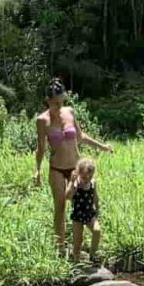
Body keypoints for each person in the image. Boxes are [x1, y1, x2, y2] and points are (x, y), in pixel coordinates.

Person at [34, 78, 112, 255]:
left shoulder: (69, 112)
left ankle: (78, 248)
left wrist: (102, 146)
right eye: (55, 103)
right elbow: (41, 147)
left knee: (81, 205)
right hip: (56, 168)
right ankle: (60, 248)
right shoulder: (42, 120)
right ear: (47, 100)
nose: (59, 107)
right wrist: (37, 170)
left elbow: (80, 136)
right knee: (60, 207)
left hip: (75, 167)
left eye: (61, 102)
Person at [65, 157, 101, 262]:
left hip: (90, 213)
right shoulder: (76, 183)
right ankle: (76, 260)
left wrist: (97, 208)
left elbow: (95, 196)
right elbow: (67, 196)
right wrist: (71, 182)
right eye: (85, 177)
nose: (87, 179)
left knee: (97, 230)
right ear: (79, 173)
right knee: (77, 241)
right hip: (78, 215)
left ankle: (92, 255)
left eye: (90, 177)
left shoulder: (93, 183)